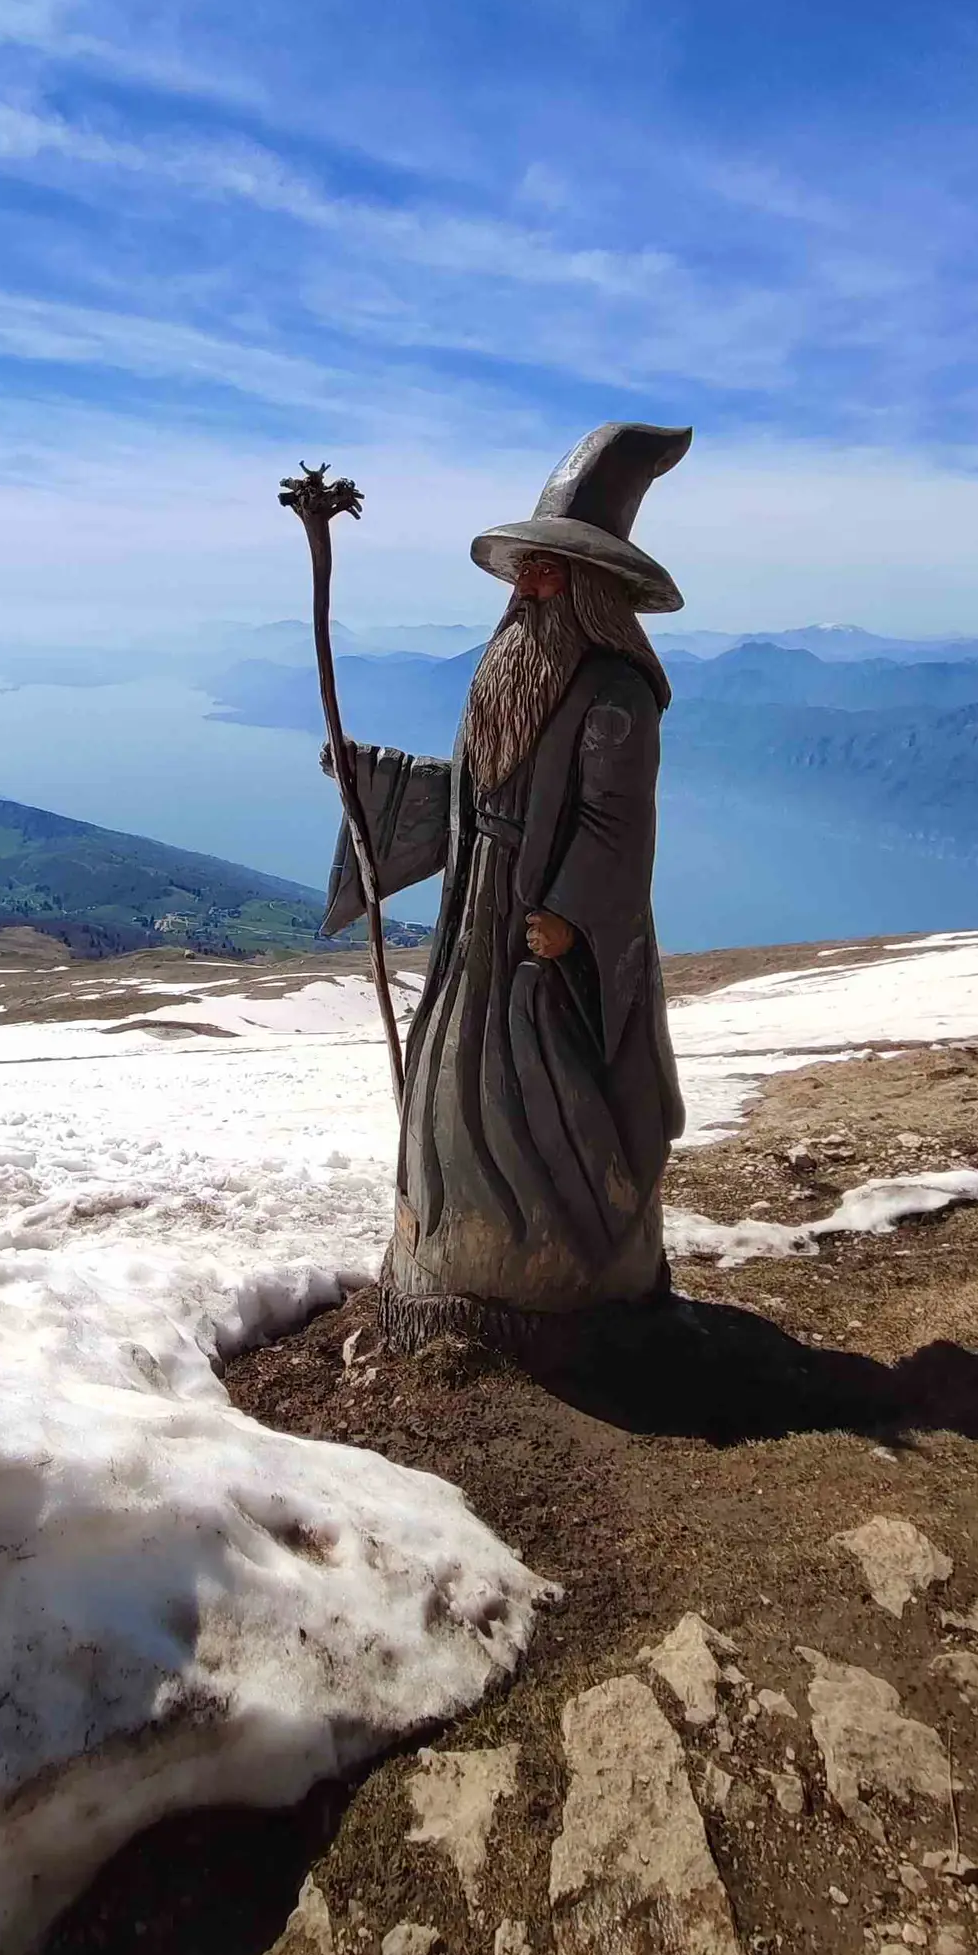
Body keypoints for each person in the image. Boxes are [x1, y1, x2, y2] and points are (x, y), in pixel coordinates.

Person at [321, 422, 690, 1358]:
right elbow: (476, 793)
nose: (524, 588)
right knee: (456, 1072)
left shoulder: (616, 694)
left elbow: (616, 824)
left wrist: (567, 913)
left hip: (541, 931)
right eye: (523, 571)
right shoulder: (513, 673)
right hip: (479, 917)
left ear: (592, 587)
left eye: (545, 573)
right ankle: (451, 1241)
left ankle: (545, 1262)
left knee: (543, 1080)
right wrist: (374, 778)